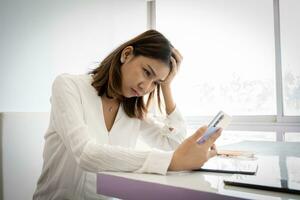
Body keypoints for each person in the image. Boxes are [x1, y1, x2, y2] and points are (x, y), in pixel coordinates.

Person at [33, 30, 221, 200]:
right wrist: (171, 162)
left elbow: (172, 143)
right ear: (127, 54)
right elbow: (86, 154)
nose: (146, 87)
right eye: (147, 72)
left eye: (155, 82)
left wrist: (166, 87)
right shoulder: (68, 86)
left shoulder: (133, 110)